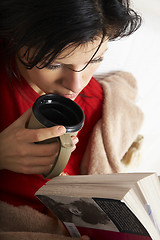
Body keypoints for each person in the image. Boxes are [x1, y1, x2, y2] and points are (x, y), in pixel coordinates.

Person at [0, 0, 141, 235]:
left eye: (94, 61)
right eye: (54, 63)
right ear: (15, 38)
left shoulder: (96, 102)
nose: (76, 85)